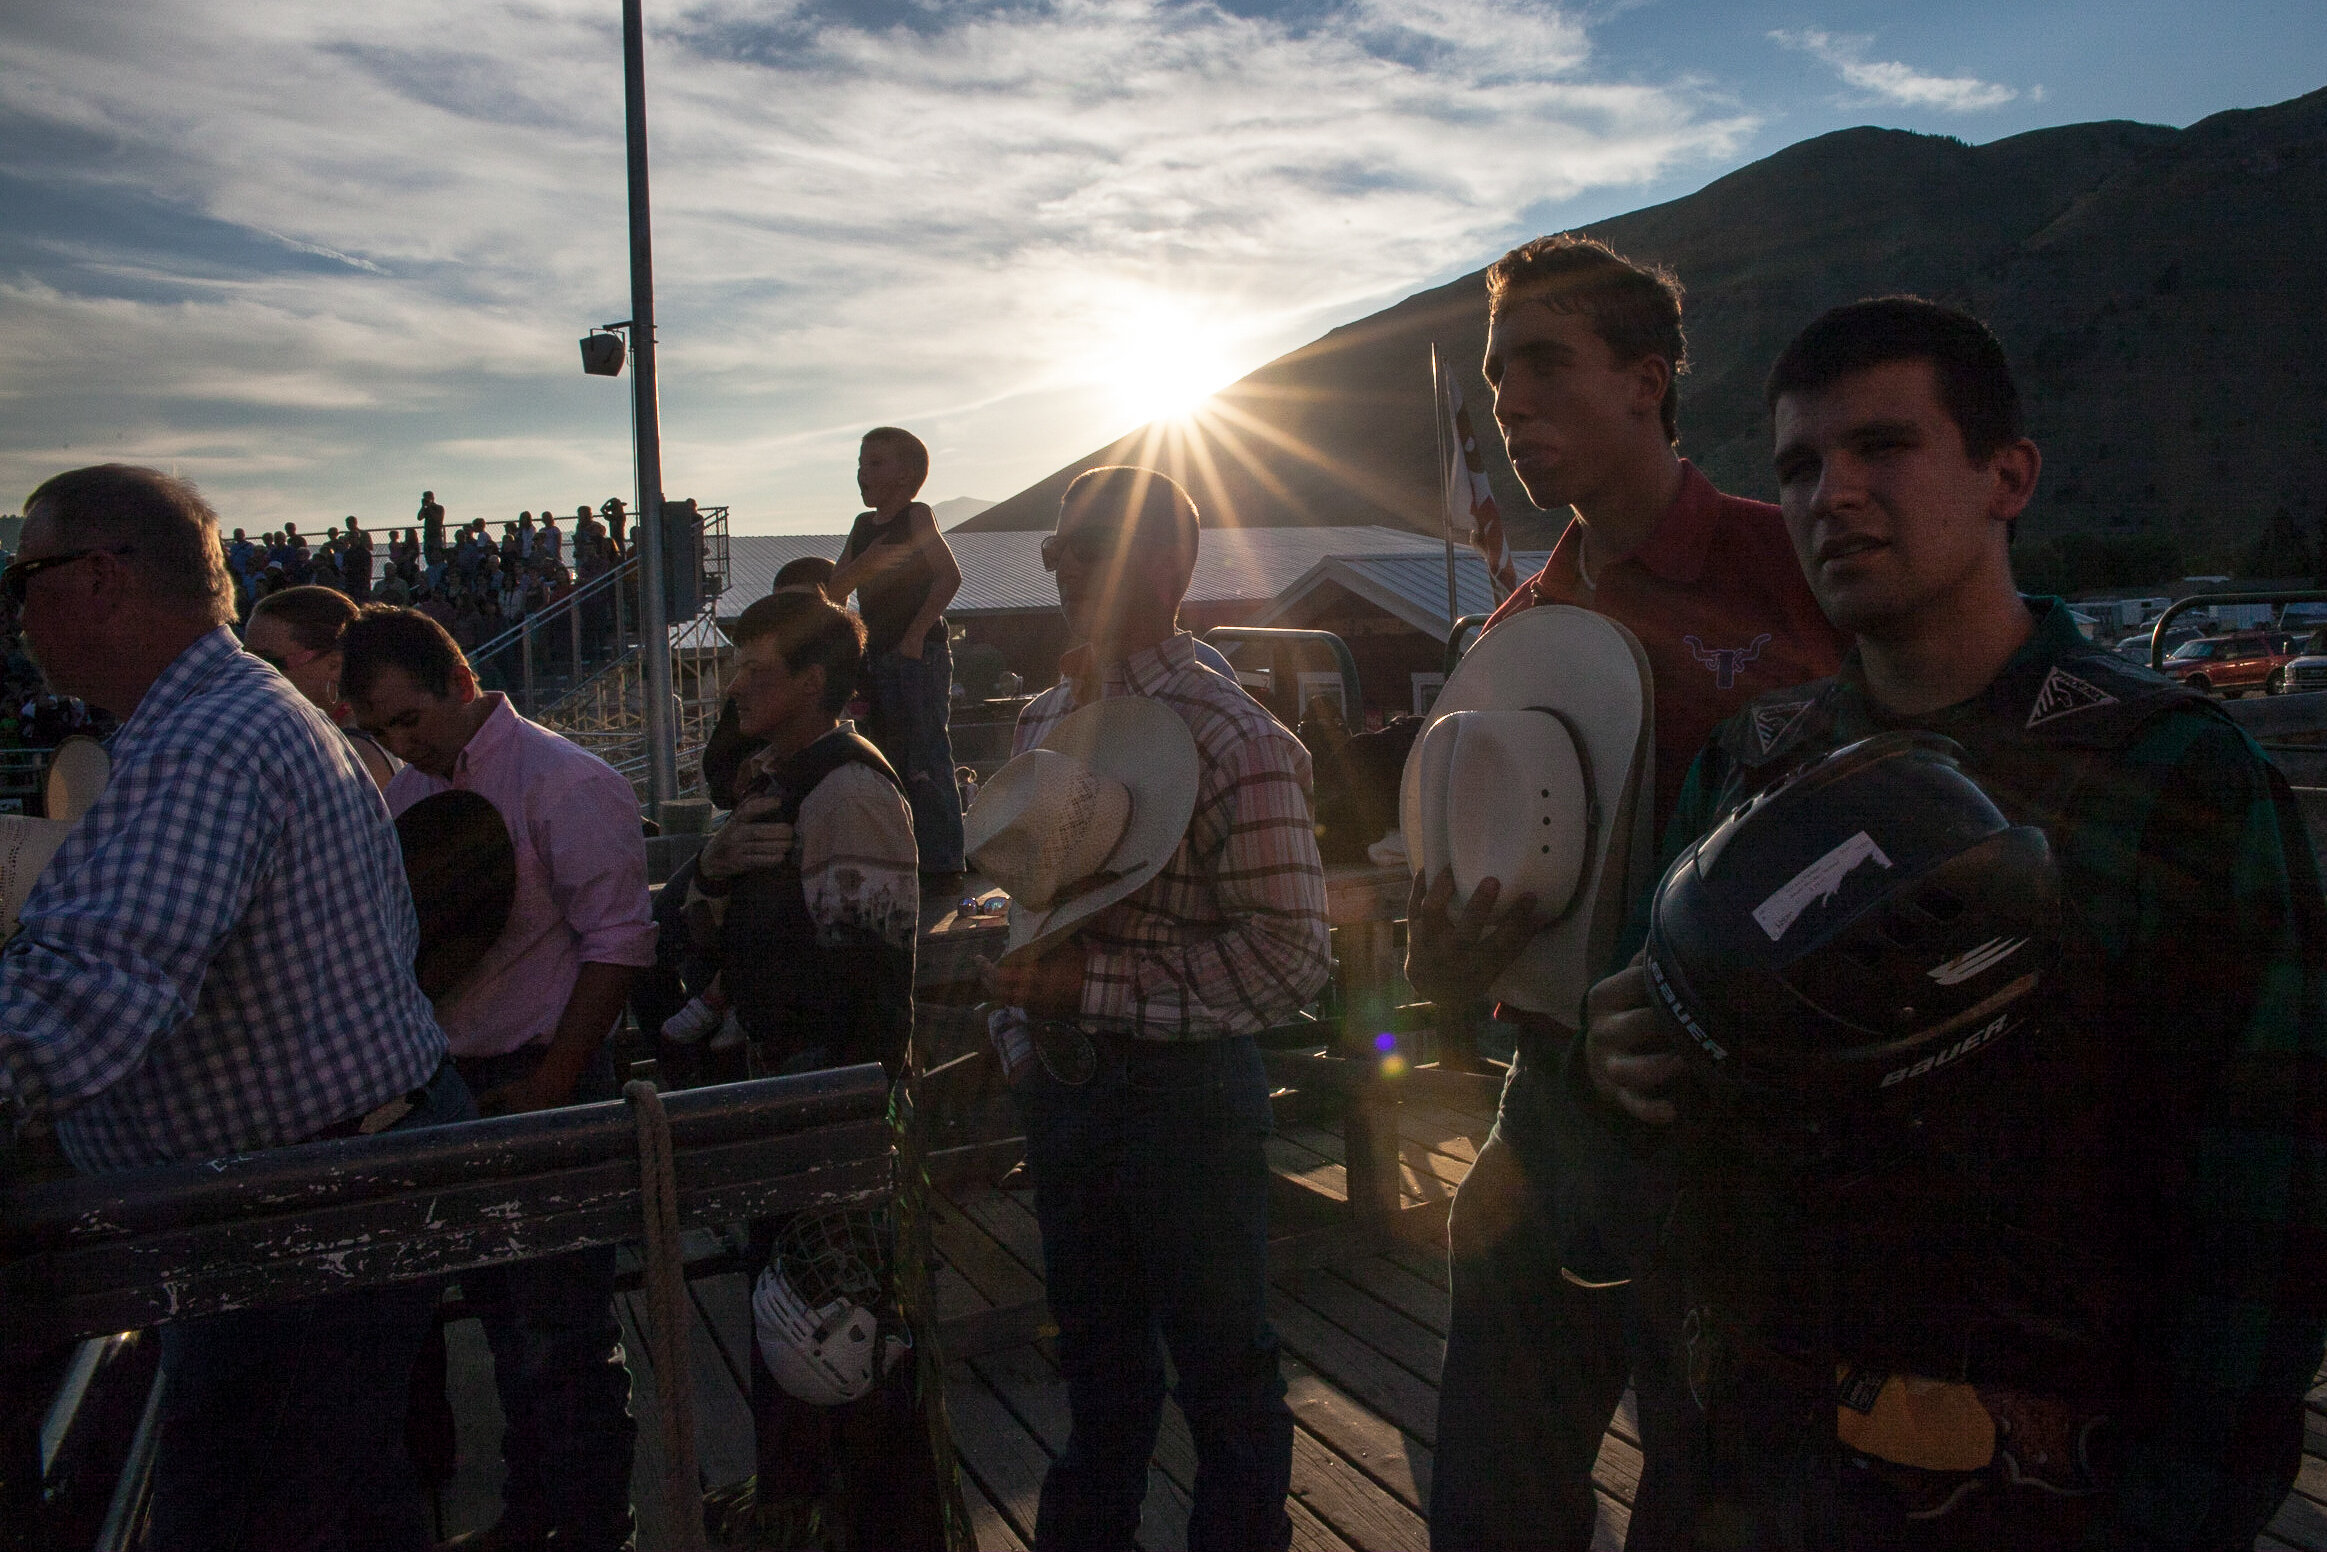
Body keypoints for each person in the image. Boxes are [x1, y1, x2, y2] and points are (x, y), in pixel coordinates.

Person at [1584, 297, 2327, 1545]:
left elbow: (2272, 1194)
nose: (1832, 494)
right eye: (1800, 465)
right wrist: (1606, 1060)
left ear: (2007, 476)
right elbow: (1651, 1102)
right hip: (1742, 1476)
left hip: (2046, 1490)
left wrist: (2176, 1515)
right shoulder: (1747, 771)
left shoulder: (2172, 773)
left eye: (1882, 447)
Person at [1406, 234, 1846, 1551]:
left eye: (1545, 365)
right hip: (1546, 1107)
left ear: (1647, 381)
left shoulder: (1797, 566)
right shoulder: (1511, 637)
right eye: (1497, 381)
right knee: (1486, 1506)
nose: (1513, 407)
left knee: (1706, 1507)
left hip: (1746, 1130)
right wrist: (1445, 967)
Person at [0, 465, 467, 1551]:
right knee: (340, 1499)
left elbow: (91, 990)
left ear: (102, 581)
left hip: (292, 1226)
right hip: (321, 1193)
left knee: (244, 1511)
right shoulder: (234, 714)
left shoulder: (206, 742)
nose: (15, 607)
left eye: (24, 574)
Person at [980, 466, 1332, 1552]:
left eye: (1090, 544)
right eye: (1057, 547)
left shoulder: (1238, 736)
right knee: (1095, 1354)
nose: (1063, 563)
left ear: (1169, 564)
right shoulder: (1046, 714)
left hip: (1183, 1098)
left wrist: (1084, 991)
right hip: (1070, 1087)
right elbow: (1019, 909)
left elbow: (1291, 959)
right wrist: (1020, 1038)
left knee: (1222, 1359)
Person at [344, 606, 655, 1552]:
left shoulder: (567, 782)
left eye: (408, 721)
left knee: (564, 1332)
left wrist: (556, 1081)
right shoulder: (408, 794)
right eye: (383, 731)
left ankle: (596, 1528)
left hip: (543, 1072)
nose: (401, 744)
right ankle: (537, 1517)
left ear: (460, 684)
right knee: (502, 1321)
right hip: (458, 1084)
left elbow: (619, 946)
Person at [827, 428, 967, 888]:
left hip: (916, 655)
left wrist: (916, 633)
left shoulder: (917, 517)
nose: (863, 473)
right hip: (877, 656)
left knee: (927, 752)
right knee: (888, 756)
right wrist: (864, 566)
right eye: (861, 464)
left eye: (875, 463)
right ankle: (902, 857)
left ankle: (944, 863)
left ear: (906, 474)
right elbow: (834, 591)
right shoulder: (863, 528)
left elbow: (949, 576)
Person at [245, 585, 399, 789]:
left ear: (335, 665)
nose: (248, 671)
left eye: (268, 661)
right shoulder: (363, 731)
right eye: (244, 658)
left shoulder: (353, 755)